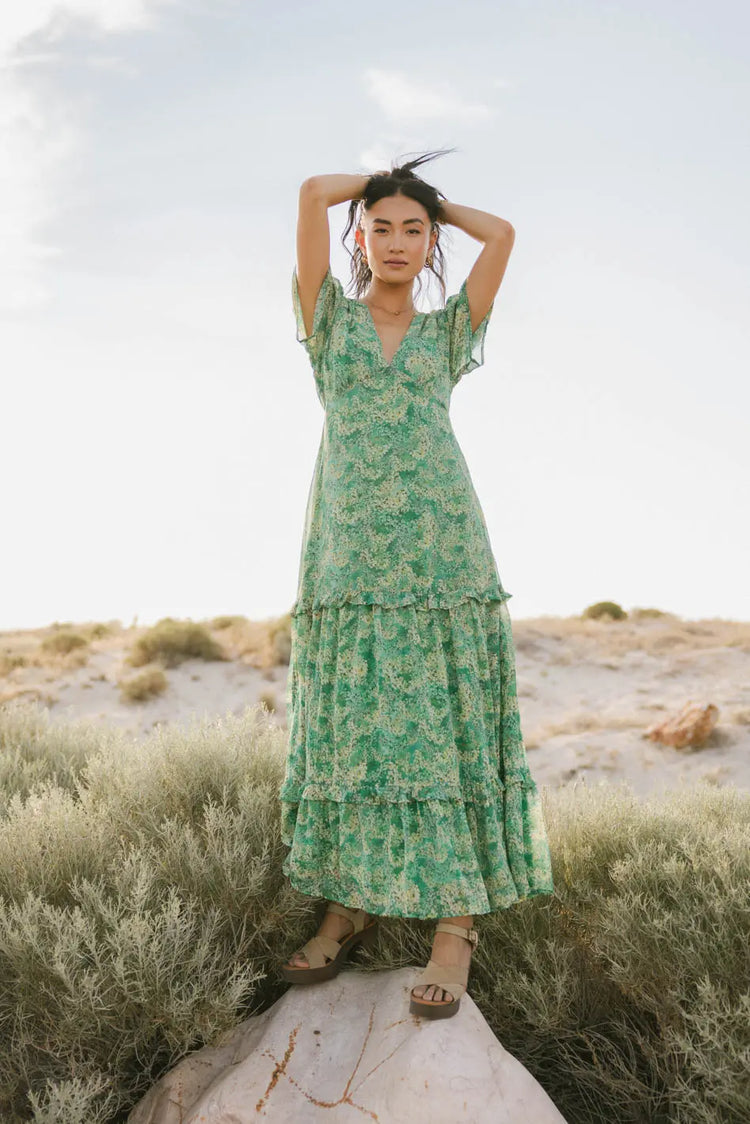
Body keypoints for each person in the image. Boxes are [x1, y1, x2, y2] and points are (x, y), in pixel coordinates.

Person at [278, 150, 554, 1020]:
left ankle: (454, 927)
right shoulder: (326, 318)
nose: (397, 242)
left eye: (415, 231)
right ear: (358, 235)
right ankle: (350, 902)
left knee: (447, 725)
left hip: (442, 554)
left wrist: (434, 201)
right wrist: (371, 187)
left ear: (432, 242)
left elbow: (503, 233)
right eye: (382, 228)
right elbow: (309, 195)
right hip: (351, 557)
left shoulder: (446, 334)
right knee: (358, 726)